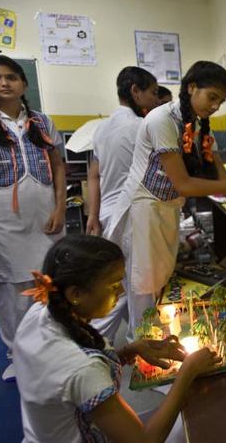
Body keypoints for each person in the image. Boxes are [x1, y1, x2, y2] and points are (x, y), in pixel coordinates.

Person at [105, 61, 226, 338]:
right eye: (212, 97)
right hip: (144, 208)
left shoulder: (198, 125)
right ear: (191, 87)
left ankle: (152, 345)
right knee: (143, 288)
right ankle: (145, 355)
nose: (215, 106)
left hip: (166, 209)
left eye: (220, 102)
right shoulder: (162, 119)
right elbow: (183, 184)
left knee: (158, 281)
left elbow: (219, 171)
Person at [13, 234, 221, 442]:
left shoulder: (39, 312)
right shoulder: (83, 369)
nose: (121, 292)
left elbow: (67, 386)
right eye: (113, 286)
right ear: (75, 294)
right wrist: (187, 373)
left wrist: (128, 351)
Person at [0, 55, 66, 382]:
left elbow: (58, 164)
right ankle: (18, 354)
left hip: (43, 212)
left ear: (24, 83)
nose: (4, 83)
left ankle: (52, 346)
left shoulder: (42, 120)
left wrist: (60, 206)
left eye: (11, 77)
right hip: (0, 217)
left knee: (48, 281)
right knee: (10, 286)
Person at [86, 66, 158, 342]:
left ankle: (93, 341)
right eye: (151, 93)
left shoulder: (102, 128)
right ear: (135, 91)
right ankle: (143, 349)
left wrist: (93, 214)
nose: (154, 100)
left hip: (108, 212)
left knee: (116, 283)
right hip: (132, 213)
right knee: (141, 285)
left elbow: (95, 174)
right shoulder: (142, 126)